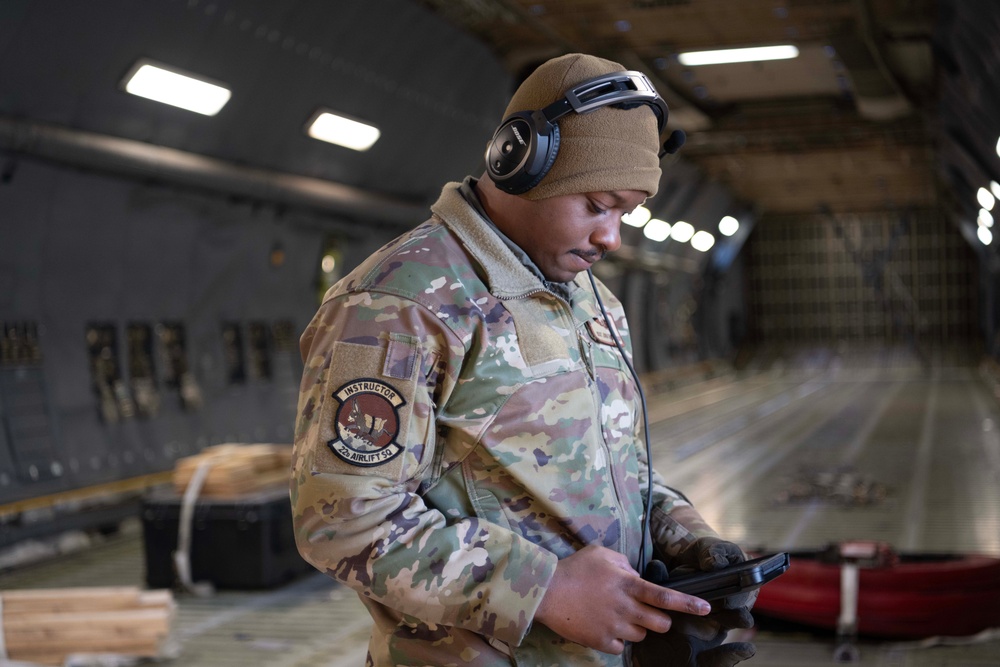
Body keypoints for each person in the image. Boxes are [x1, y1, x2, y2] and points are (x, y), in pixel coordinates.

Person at [290, 53, 756, 666]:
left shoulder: (593, 300)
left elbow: (618, 470)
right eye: (597, 204)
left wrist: (686, 538)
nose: (611, 237)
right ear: (521, 164)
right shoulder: (400, 304)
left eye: (626, 213)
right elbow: (344, 521)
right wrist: (548, 590)